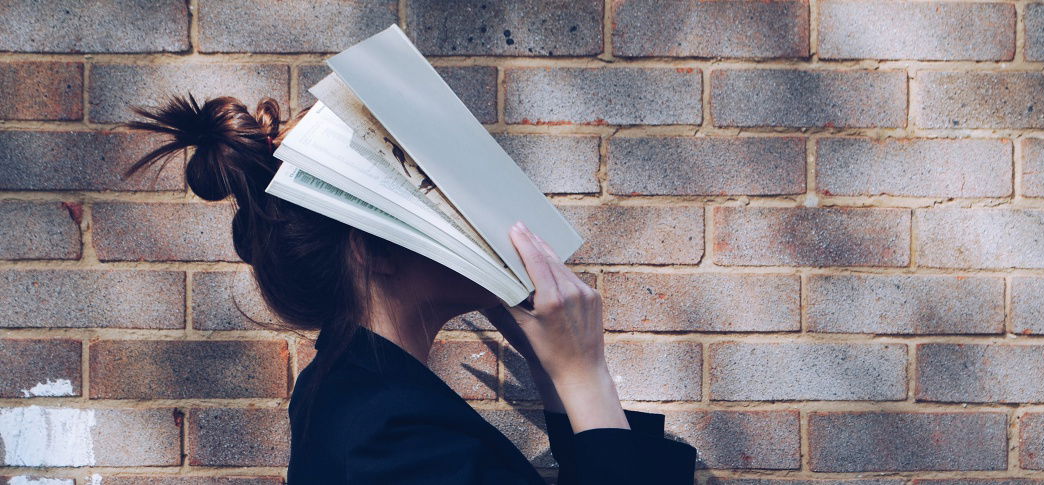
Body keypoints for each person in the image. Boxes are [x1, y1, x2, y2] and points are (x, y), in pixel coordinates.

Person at [121, 93, 698, 484]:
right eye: (439, 200)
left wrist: (555, 377)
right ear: (373, 248)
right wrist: (586, 376)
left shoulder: (362, 398)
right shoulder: (390, 439)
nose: (476, 215)